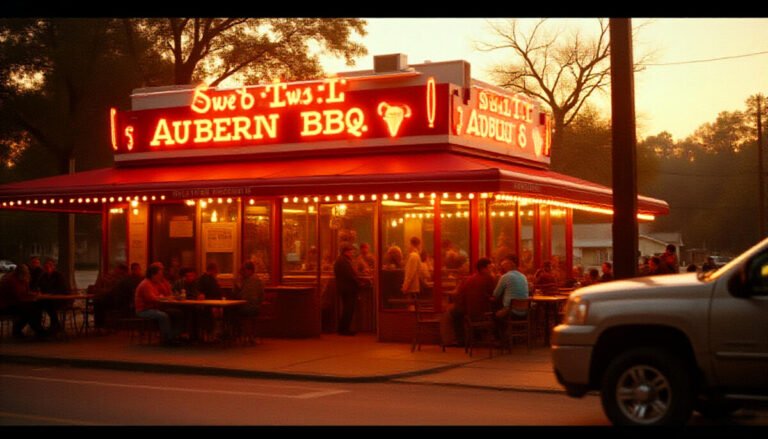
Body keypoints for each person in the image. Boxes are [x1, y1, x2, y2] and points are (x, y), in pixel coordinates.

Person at [445, 258, 496, 346]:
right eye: (490, 267)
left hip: (466, 310)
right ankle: (497, 339)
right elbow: (494, 294)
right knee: (499, 312)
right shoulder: (489, 278)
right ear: (484, 268)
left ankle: (461, 340)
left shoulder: (470, 278)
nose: (491, 269)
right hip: (481, 312)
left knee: (454, 312)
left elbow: (459, 294)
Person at [134, 264, 183, 345]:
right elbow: (152, 298)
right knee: (163, 315)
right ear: (153, 275)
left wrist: (163, 295)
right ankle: (167, 339)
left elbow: (165, 293)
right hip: (144, 310)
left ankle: (174, 336)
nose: (161, 277)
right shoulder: (146, 284)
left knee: (177, 313)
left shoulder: (154, 283)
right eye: (159, 275)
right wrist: (162, 297)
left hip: (153, 308)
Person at [0, 264, 47, 339]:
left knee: (35, 308)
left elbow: (26, 292)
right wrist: (32, 298)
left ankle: (35, 330)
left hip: (16, 303)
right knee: (30, 310)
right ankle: (37, 331)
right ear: (21, 273)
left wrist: (35, 294)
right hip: (6, 306)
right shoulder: (11, 280)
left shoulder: (22, 279)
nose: (28, 274)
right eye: (26, 273)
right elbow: (18, 297)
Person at [334, 244, 362, 336]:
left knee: (347, 308)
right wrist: (359, 282)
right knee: (348, 309)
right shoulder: (344, 261)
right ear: (346, 252)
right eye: (351, 251)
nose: (352, 253)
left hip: (345, 288)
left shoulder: (341, 260)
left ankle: (343, 329)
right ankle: (344, 329)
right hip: (348, 288)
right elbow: (350, 275)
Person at [37, 258, 70, 335]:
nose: (47, 268)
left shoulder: (58, 276)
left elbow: (62, 288)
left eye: (50, 266)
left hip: (60, 300)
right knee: (38, 305)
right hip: (47, 299)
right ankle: (41, 328)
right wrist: (40, 292)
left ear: (53, 267)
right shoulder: (43, 276)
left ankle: (55, 325)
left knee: (49, 305)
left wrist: (51, 293)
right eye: (46, 267)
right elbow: (38, 286)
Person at [492, 255, 529, 321]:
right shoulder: (523, 276)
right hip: (525, 311)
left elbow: (496, 294)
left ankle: (502, 331)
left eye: (504, 264)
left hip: (511, 313)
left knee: (494, 314)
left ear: (509, 264)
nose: (502, 266)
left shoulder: (505, 276)